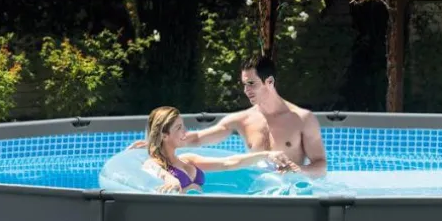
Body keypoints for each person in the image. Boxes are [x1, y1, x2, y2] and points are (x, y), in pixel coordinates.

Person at [132, 55, 328, 178]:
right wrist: (156, 141)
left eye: (251, 84)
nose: (246, 90)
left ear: (269, 82)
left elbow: (321, 166)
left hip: (290, 192)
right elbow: (198, 138)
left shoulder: (302, 119)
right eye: (244, 84)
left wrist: (299, 170)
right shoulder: (243, 120)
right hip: (257, 190)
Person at [141, 105, 300, 193]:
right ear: (164, 135)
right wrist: (169, 178)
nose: (185, 132)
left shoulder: (188, 159)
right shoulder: (154, 164)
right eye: (179, 128)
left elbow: (228, 163)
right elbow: (155, 170)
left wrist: (267, 155)